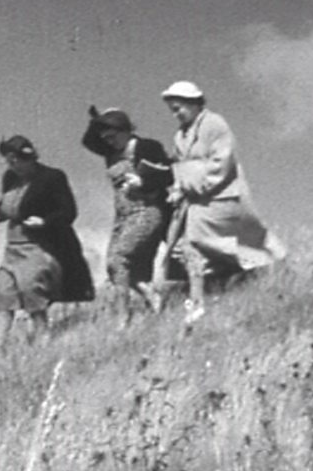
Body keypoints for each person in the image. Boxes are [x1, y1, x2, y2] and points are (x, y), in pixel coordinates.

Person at [158, 81, 285, 324]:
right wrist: (177, 188)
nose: (176, 114)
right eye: (172, 110)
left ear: (194, 104)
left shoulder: (215, 124)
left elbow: (221, 163)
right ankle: (207, 295)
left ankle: (200, 301)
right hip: (195, 200)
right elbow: (178, 167)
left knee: (198, 242)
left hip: (221, 195)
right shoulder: (179, 136)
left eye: (179, 108)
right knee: (186, 246)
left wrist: (190, 181)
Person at [0, 135, 94, 350]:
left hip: (38, 247)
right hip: (12, 247)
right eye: (9, 161)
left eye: (16, 160)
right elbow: (9, 204)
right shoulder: (10, 178)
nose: (12, 165)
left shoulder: (52, 177)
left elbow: (68, 211)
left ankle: (43, 342)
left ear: (29, 157)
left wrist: (44, 221)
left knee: (32, 294)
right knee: (4, 296)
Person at [81, 106, 173, 324]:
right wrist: (97, 120)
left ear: (124, 130)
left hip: (146, 210)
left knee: (118, 260)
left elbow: (169, 175)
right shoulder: (109, 153)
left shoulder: (147, 146)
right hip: (122, 216)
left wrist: (143, 181)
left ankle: (124, 317)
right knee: (119, 271)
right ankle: (153, 298)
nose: (108, 142)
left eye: (112, 136)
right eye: (105, 138)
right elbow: (88, 141)